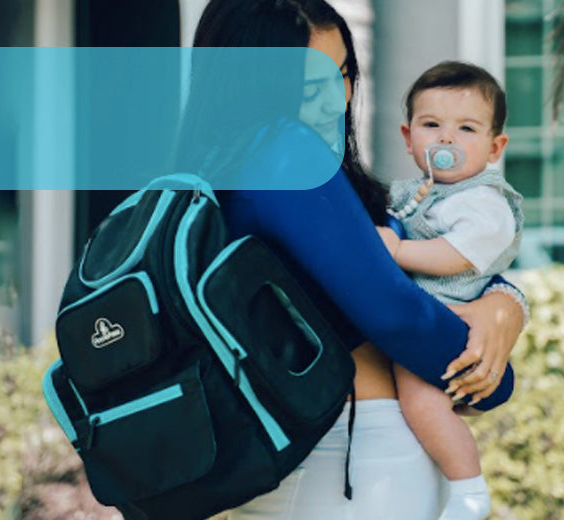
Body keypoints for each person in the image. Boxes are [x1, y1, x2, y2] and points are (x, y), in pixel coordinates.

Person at [175, 0, 529, 518]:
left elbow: (399, 276)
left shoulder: (217, 171)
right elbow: (391, 309)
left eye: (341, 74)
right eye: (306, 84)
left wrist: (503, 304)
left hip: (325, 458)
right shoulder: (284, 156)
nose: (335, 100)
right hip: (349, 458)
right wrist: (491, 376)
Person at [377, 61, 524, 520]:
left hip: (449, 318)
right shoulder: (416, 191)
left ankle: (468, 490)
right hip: (421, 313)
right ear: (408, 137)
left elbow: (454, 256)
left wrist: (397, 251)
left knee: (423, 403)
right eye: (431, 125)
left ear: (495, 146)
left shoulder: (486, 202)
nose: (446, 139)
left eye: (466, 128)